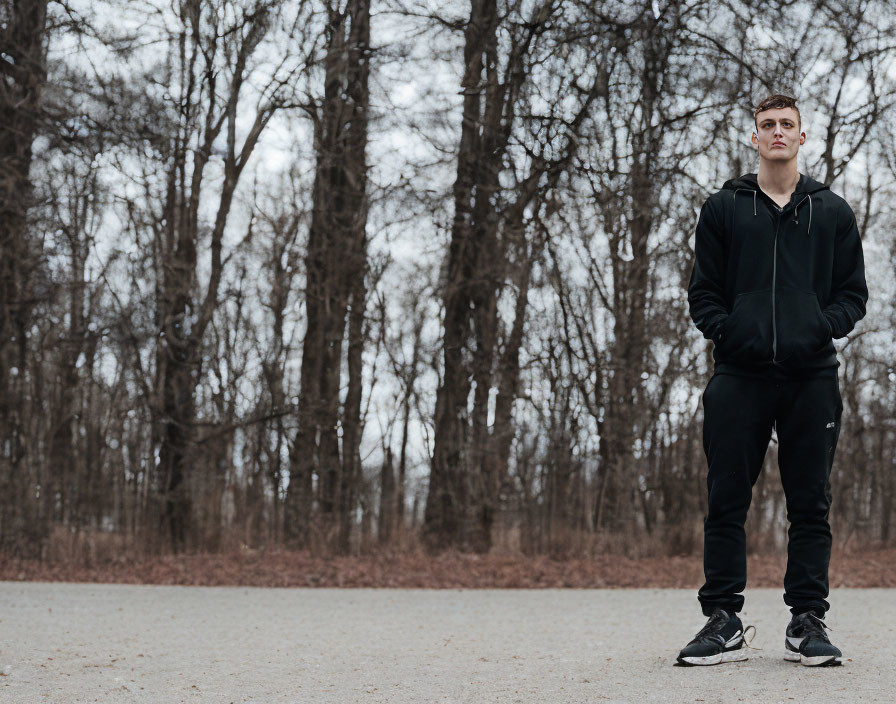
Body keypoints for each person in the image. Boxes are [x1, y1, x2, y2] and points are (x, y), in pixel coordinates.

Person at [677, 94, 868, 667]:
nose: (778, 132)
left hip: (812, 377)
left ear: (803, 137)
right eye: (768, 125)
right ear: (753, 136)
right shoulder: (724, 209)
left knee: (810, 503)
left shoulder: (831, 211)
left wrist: (818, 330)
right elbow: (702, 294)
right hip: (739, 374)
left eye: (788, 125)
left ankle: (806, 620)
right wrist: (733, 333)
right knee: (726, 498)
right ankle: (723, 620)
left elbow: (853, 295)